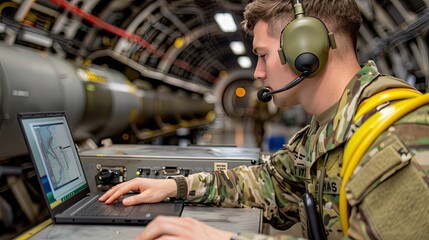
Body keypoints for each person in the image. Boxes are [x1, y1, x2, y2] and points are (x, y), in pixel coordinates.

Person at [99, 0, 429, 239]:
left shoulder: (401, 139)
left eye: (262, 56)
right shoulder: (324, 129)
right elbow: (270, 183)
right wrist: (174, 186)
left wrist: (218, 238)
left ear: (307, 51)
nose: (257, 73)